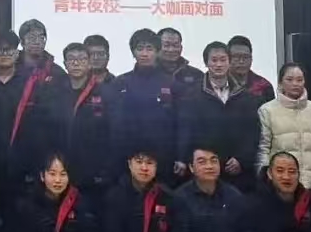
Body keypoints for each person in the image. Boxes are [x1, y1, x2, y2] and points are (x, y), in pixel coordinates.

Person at [0, 30, 63, 202]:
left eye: (9, 49)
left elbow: (44, 125)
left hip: (24, 172)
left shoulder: (32, 83)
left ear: (17, 53)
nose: (4, 54)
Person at [177, 42, 260, 191]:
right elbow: (187, 130)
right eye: (214, 60)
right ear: (206, 63)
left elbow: (252, 132)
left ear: (229, 62)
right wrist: (185, 158)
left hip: (236, 169)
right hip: (205, 167)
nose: (219, 65)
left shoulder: (245, 96)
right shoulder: (192, 95)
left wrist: (242, 159)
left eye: (223, 60)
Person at [109, 29, 180, 184]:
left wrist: (179, 156)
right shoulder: (120, 83)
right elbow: (114, 125)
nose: (144, 53)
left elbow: (179, 123)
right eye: (140, 48)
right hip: (127, 159)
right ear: (133, 52)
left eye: (149, 48)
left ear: (157, 51)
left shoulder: (170, 83)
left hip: (163, 159)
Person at [256, 63, 311, 188]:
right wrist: (265, 178)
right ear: (280, 83)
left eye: (299, 80)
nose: (295, 84)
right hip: (280, 185)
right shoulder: (267, 111)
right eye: (289, 79)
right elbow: (263, 149)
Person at [61, 43, 113, 193]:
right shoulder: (55, 92)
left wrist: (105, 169)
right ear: (65, 64)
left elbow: (112, 133)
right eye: (71, 59)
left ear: (90, 63)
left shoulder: (105, 93)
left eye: (81, 59)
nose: (76, 63)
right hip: (62, 169)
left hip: (94, 171)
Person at [17, 19, 68, 87]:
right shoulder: (12, 68)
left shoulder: (56, 72)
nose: (37, 42)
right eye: (32, 38)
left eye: (41, 38)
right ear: (22, 42)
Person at [228, 35, 275, 107]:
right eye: (236, 57)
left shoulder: (264, 86)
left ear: (251, 59)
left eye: (245, 57)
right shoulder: (218, 85)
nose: (241, 61)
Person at [157, 28, 204, 94]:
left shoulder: (197, 75)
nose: (171, 50)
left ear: (181, 48)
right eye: (166, 45)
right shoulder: (147, 72)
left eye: (176, 45)